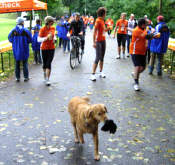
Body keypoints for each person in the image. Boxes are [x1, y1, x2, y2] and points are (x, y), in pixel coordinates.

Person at [130, 18, 156, 91]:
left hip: (142, 51)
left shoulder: (144, 29)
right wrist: (153, 33)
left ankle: (134, 74)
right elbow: (147, 37)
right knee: (137, 66)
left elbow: (147, 32)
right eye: (145, 24)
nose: (146, 25)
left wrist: (151, 30)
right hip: (135, 51)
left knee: (143, 68)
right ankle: (136, 83)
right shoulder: (136, 30)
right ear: (142, 24)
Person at [8, 17, 32, 82]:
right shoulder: (26, 30)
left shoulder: (13, 31)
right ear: (22, 22)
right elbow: (30, 39)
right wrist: (26, 41)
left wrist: (15, 42)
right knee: (25, 63)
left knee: (17, 64)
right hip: (24, 49)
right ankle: (26, 77)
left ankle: (17, 77)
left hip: (16, 49)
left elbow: (9, 38)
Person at [90, 7, 108, 81]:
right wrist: (94, 42)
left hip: (103, 40)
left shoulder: (103, 21)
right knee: (97, 57)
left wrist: (108, 29)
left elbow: (103, 31)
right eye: (105, 13)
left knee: (102, 57)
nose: (106, 14)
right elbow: (94, 32)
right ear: (103, 13)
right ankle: (93, 74)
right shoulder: (98, 21)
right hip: (98, 41)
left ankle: (101, 72)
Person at [38, 16, 56, 86]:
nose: (53, 23)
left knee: (49, 63)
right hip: (44, 48)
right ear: (49, 22)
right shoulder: (42, 29)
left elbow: (54, 36)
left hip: (51, 48)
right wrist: (46, 38)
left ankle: (48, 79)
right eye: (52, 22)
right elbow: (38, 39)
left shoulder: (53, 28)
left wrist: (54, 39)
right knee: (44, 64)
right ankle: (45, 74)